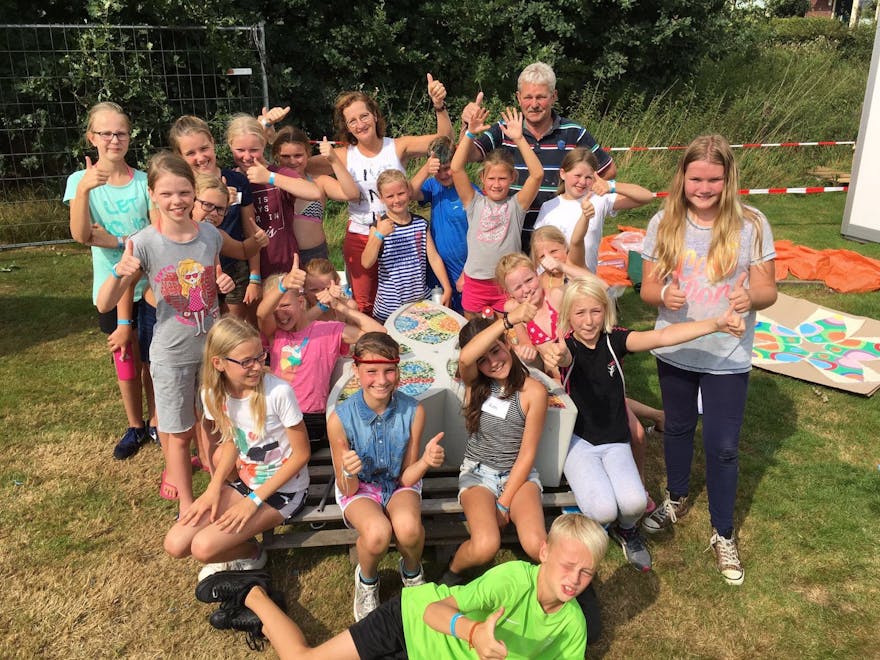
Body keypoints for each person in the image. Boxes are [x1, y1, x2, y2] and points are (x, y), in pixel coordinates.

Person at [639, 134, 777, 586]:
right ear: (682, 176)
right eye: (696, 178)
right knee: (678, 427)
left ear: (728, 178)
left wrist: (750, 297)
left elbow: (768, 290)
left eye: (714, 179)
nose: (704, 188)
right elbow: (647, 289)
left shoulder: (752, 224)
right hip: (676, 348)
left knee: (723, 446)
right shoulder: (663, 222)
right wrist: (663, 294)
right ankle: (676, 497)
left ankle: (723, 532)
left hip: (727, 355)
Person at [193, 513, 608, 658]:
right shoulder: (514, 579)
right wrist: (474, 633)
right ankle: (254, 592)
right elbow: (435, 612)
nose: (574, 580)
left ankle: (258, 616)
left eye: (586, 573)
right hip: (410, 621)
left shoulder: (572, 627)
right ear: (544, 552)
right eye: (568, 565)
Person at [544, 275, 745, 572]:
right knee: (603, 509)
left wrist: (716, 323)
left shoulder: (614, 340)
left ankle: (626, 530)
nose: (588, 321)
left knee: (635, 504)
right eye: (580, 313)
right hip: (579, 443)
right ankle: (596, 517)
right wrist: (557, 355)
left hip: (615, 440)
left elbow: (662, 337)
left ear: (606, 311)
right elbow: (561, 358)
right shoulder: (568, 347)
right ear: (568, 316)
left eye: (595, 311)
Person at [97, 151, 234, 512]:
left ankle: (218, 491)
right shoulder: (143, 242)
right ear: (153, 195)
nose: (177, 201)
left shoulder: (210, 235)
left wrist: (222, 281)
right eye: (167, 194)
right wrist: (119, 271)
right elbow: (104, 303)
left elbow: (213, 277)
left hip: (212, 354)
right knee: (179, 433)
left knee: (214, 424)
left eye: (184, 192)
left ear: (194, 192)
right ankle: (187, 505)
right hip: (171, 356)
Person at [163, 316, 310, 581]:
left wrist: (252, 502)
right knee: (175, 544)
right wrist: (213, 488)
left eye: (260, 357)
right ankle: (241, 545)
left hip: (285, 490)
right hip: (246, 482)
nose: (257, 367)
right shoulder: (212, 394)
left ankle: (253, 554)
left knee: (202, 547)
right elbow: (233, 440)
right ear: (218, 363)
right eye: (246, 362)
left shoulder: (278, 392)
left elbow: (301, 454)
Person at [327, 332, 446, 621]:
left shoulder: (414, 411)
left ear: (398, 371)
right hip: (359, 488)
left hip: (398, 483)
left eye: (389, 370)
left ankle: (412, 572)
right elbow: (347, 487)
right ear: (356, 370)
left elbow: (406, 477)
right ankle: (367, 580)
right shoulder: (339, 419)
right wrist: (348, 470)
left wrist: (425, 462)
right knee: (377, 533)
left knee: (408, 528)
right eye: (371, 371)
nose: (381, 380)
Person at [65, 101, 156, 460]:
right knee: (126, 357)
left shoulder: (145, 182)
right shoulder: (79, 181)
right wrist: (85, 191)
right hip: (109, 288)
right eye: (106, 133)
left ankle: (156, 421)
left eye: (121, 133)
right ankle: (135, 426)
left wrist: (116, 240)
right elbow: (81, 235)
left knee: (152, 359)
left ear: (130, 137)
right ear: (92, 137)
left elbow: (154, 233)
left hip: (149, 287)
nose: (114, 140)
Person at [325, 74, 453, 315]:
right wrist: (334, 189)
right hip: (361, 235)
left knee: (404, 299)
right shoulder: (342, 155)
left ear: (375, 115)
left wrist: (439, 106)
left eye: (364, 116)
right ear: (347, 127)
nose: (360, 124)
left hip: (399, 232)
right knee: (364, 304)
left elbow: (444, 141)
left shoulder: (397, 146)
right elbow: (299, 165)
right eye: (352, 121)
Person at [440, 307, 548, 588]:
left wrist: (504, 502)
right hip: (478, 473)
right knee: (486, 544)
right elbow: (466, 358)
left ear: (508, 343)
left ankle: (563, 584)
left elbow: (527, 454)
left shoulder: (533, 392)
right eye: (483, 360)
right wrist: (508, 320)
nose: (494, 363)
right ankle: (452, 570)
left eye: (497, 351)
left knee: (536, 544)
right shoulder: (476, 383)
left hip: (519, 476)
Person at [467, 63, 617, 252]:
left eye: (541, 97)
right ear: (518, 97)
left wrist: (580, 199)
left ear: (554, 96)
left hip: (556, 242)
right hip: (509, 240)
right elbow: (470, 155)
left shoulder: (574, 133)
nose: (534, 104)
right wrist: (467, 128)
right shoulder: (505, 129)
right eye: (528, 97)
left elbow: (608, 170)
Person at [257, 258, 385, 445]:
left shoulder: (328, 330)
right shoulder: (275, 334)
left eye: (285, 305)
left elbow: (379, 333)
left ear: (301, 302)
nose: (279, 314)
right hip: (276, 413)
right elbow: (262, 313)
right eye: (274, 308)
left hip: (309, 418)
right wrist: (283, 285)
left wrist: (339, 306)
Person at [452, 106, 543, 318]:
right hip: (475, 283)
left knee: (509, 331)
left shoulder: (517, 205)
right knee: (475, 331)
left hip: (507, 283)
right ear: (482, 178)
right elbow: (456, 168)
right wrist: (469, 133)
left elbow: (537, 175)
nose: (496, 184)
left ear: (512, 178)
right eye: (491, 178)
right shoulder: (474, 202)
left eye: (502, 179)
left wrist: (519, 139)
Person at [169, 115, 262, 320]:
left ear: (212, 142)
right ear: (179, 156)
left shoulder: (237, 181)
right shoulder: (180, 189)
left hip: (234, 269)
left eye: (204, 148)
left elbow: (251, 230)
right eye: (190, 153)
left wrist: (255, 277)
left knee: (233, 328)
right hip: (194, 271)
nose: (200, 157)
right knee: (199, 327)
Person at [227, 114, 322, 278]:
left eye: (254, 150)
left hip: (283, 267)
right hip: (244, 274)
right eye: (240, 150)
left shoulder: (277, 174)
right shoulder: (228, 180)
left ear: (263, 145)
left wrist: (270, 177)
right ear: (230, 146)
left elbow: (314, 193)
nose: (247, 156)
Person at [534, 147, 653, 273]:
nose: (582, 182)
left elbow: (646, 197)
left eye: (588, 177)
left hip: (586, 280)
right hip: (554, 277)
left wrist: (611, 186)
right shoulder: (548, 207)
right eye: (577, 175)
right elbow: (538, 247)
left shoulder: (599, 199)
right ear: (562, 173)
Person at [362, 169, 452, 322]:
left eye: (401, 193)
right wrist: (379, 235)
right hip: (389, 309)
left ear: (409, 192)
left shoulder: (421, 224)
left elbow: (434, 258)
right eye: (390, 196)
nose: (396, 200)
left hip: (420, 304)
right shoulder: (378, 227)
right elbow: (366, 262)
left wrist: (447, 287)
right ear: (381, 198)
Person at [269, 125, 360, 266]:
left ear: (308, 154)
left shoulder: (319, 181)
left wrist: (333, 160)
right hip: (281, 256)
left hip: (314, 257)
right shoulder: (270, 181)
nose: (292, 161)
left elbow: (352, 194)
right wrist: (265, 126)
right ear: (276, 156)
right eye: (285, 156)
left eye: (298, 155)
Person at [409, 135, 477, 313]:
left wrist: (468, 272)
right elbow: (409, 194)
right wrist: (426, 170)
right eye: (437, 170)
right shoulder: (433, 186)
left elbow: (483, 238)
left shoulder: (471, 192)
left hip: (464, 272)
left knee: (466, 318)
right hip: (438, 272)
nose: (443, 174)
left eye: (447, 168)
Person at [495, 252, 564, 376]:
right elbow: (526, 343)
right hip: (557, 380)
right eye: (518, 288)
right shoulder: (517, 312)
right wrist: (526, 351)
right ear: (509, 293)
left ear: (537, 274)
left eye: (529, 280)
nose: (526, 290)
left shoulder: (556, 296)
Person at [193, 174, 269, 262]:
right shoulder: (178, 232)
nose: (214, 213)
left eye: (220, 209)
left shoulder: (215, 235)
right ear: (191, 201)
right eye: (207, 205)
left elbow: (243, 251)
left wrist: (257, 241)